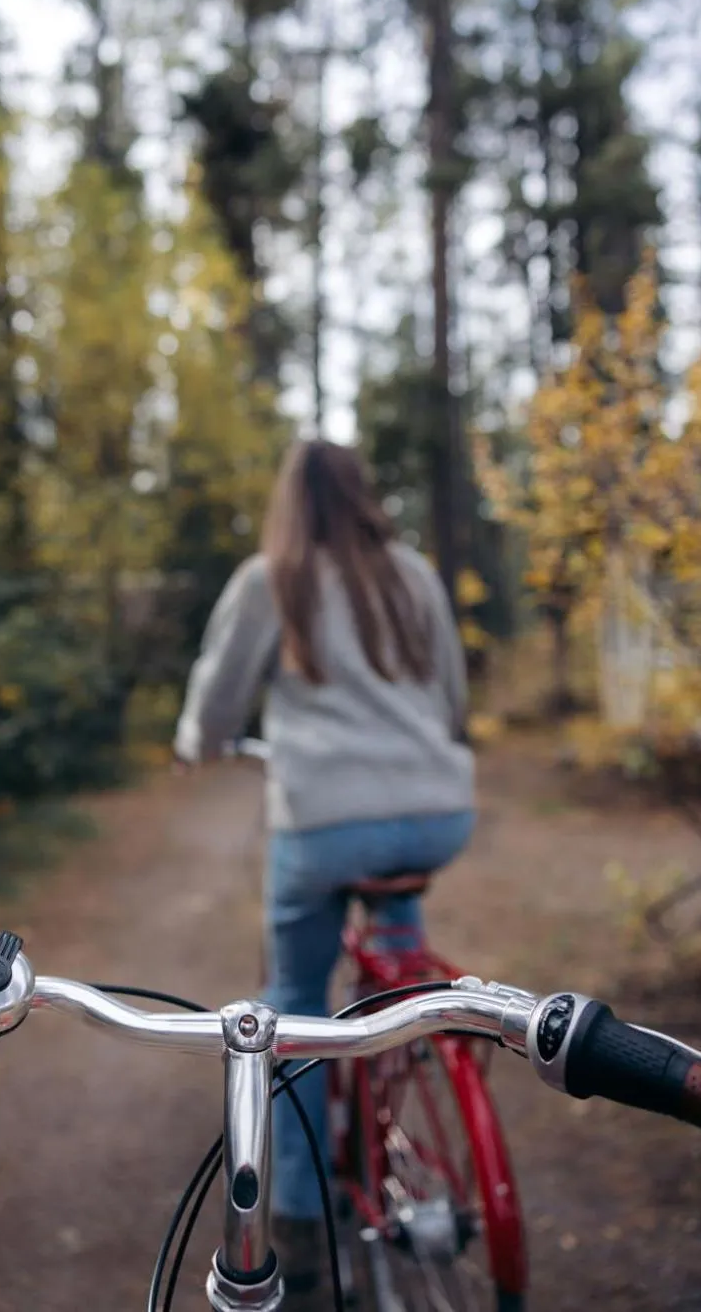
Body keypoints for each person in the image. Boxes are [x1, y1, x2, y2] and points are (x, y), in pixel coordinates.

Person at [172, 438, 475, 1307]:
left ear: (288, 502)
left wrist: (200, 743)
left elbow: (219, 697)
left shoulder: (273, 578)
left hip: (326, 824)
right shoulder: (412, 572)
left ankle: (299, 1220)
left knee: (295, 1003)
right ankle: (408, 1034)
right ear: (363, 493)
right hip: (437, 813)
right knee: (397, 977)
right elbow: (452, 698)